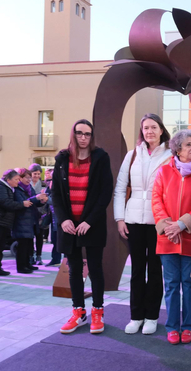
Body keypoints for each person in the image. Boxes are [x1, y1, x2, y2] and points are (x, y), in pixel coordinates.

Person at [52, 119, 113, 335]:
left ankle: (97, 311)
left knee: (95, 269)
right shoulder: (61, 158)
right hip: (69, 225)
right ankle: (78, 311)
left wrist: (89, 221)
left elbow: (106, 192)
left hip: (92, 224)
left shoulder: (101, 157)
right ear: (73, 134)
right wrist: (63, 220)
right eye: (80, 133)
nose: (84, 137)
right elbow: (56, 194)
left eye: (88, 134)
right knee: (74, 270)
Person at [114, 113, 172, 335]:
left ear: (161, 130)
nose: (149, 131)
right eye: (146, 128)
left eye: (153, 127)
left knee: (156, 271)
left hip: (159, 222)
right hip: (134, 221)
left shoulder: (169, 155)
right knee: (137, 271)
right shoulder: (132, 156)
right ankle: (136, 316)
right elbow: (120, 188)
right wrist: (120, 218)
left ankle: (152, 317)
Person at [151, 129, 191, 345]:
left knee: (189, 285)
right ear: (178, 149)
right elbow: (156, 200)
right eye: (188, 144)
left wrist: (183, 224)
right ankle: (172, 327)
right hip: (167, 238)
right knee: (171, 285)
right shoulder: (163, 172)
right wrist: (167, 226)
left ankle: (188, 326)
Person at [0, 169, 32, 280]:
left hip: (2, 222)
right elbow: (5, 203)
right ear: (8, 179)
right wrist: (21, 204)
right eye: (16, 179)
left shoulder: (8, 188)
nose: (18, 181)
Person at [12, 168, 48, 273]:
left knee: (29, 244)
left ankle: (28, 264)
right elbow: (22, 202)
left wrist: (41, 201)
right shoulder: (17, 189)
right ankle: (21, 267)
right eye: (26, 177)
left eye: (29, 177)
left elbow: (33, 202)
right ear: (20, 178)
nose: (29, 179)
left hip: (31, 219)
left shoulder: (29, 188)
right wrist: (36, 198)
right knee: (22, 245)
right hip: (22, 220)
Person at [29, 163, 47, 265]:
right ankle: (31, 255)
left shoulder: (43, 185)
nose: (36, 176)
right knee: (30, 236)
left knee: (39, 235)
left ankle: (39, 256)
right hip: (30, 212)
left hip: (41, 213)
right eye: (34, 173)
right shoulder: (27, 184)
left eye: (38, 174)